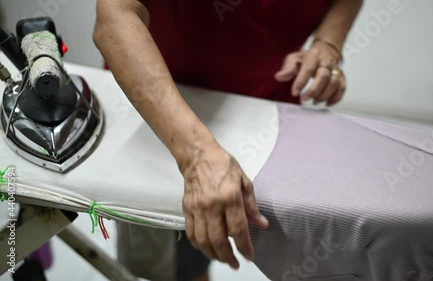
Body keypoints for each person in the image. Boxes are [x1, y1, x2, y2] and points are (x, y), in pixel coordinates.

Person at [93, 1, 363, 280]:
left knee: (198, 250)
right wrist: (196, 155)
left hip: (266, 106)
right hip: (161, 108)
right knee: (156, 262)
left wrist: (328, 43)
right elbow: (116, 15)